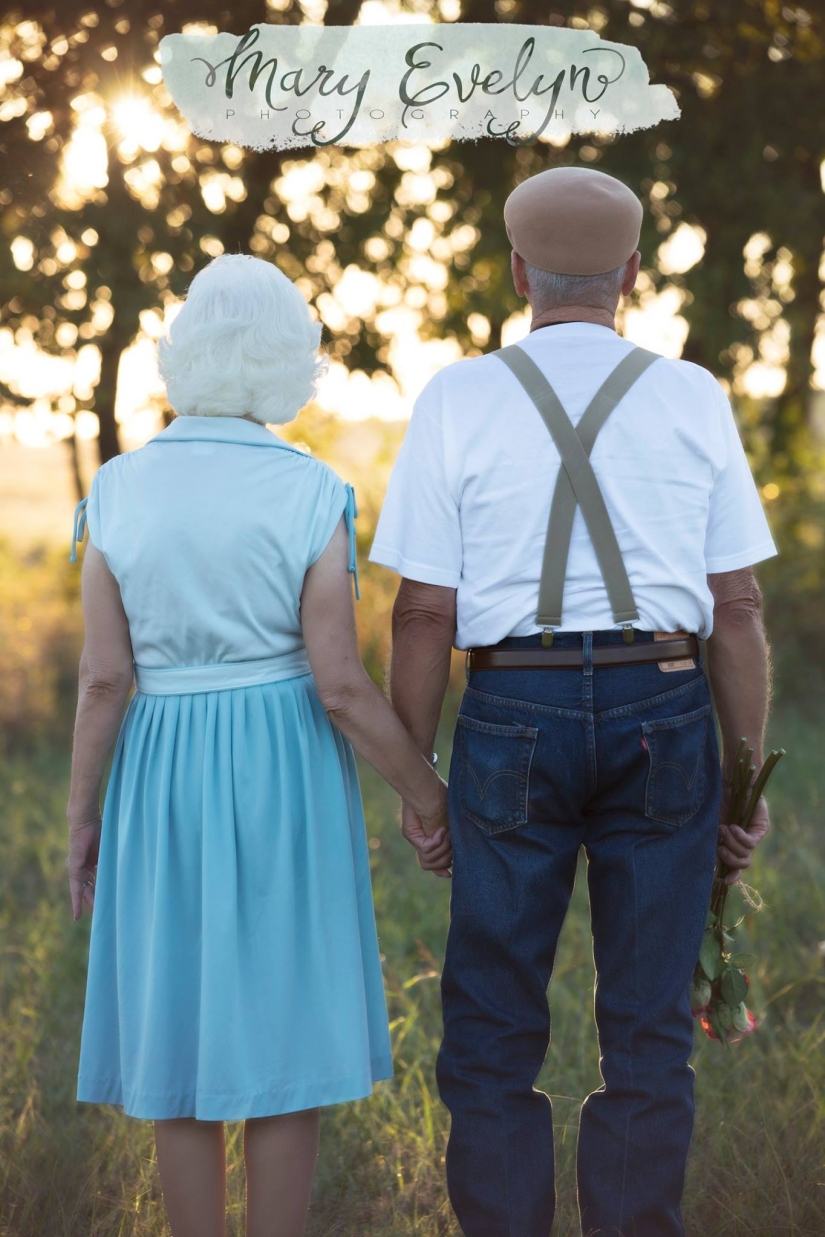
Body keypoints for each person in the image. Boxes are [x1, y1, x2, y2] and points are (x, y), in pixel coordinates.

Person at [369, 165, 777, 1237]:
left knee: (495, 1025)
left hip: (513, 710)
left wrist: (422, 785)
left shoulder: (456, 395)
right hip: (668, 702)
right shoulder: (693, 395)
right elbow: (736, 609)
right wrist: (741, 781)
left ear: (518, 273)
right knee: (649, 1029)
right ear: (631, 275)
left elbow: (420, 616)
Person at [64, 253, 452, 1237]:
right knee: (284, 1020)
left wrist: (82, 818)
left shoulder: (117, 487)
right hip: (281, 768)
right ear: (290, 360)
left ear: (183, 351)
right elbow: (339, 684)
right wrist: (424, 789)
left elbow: (104, 678)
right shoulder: (311, 490)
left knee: (178, 1039)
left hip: (158, 771)